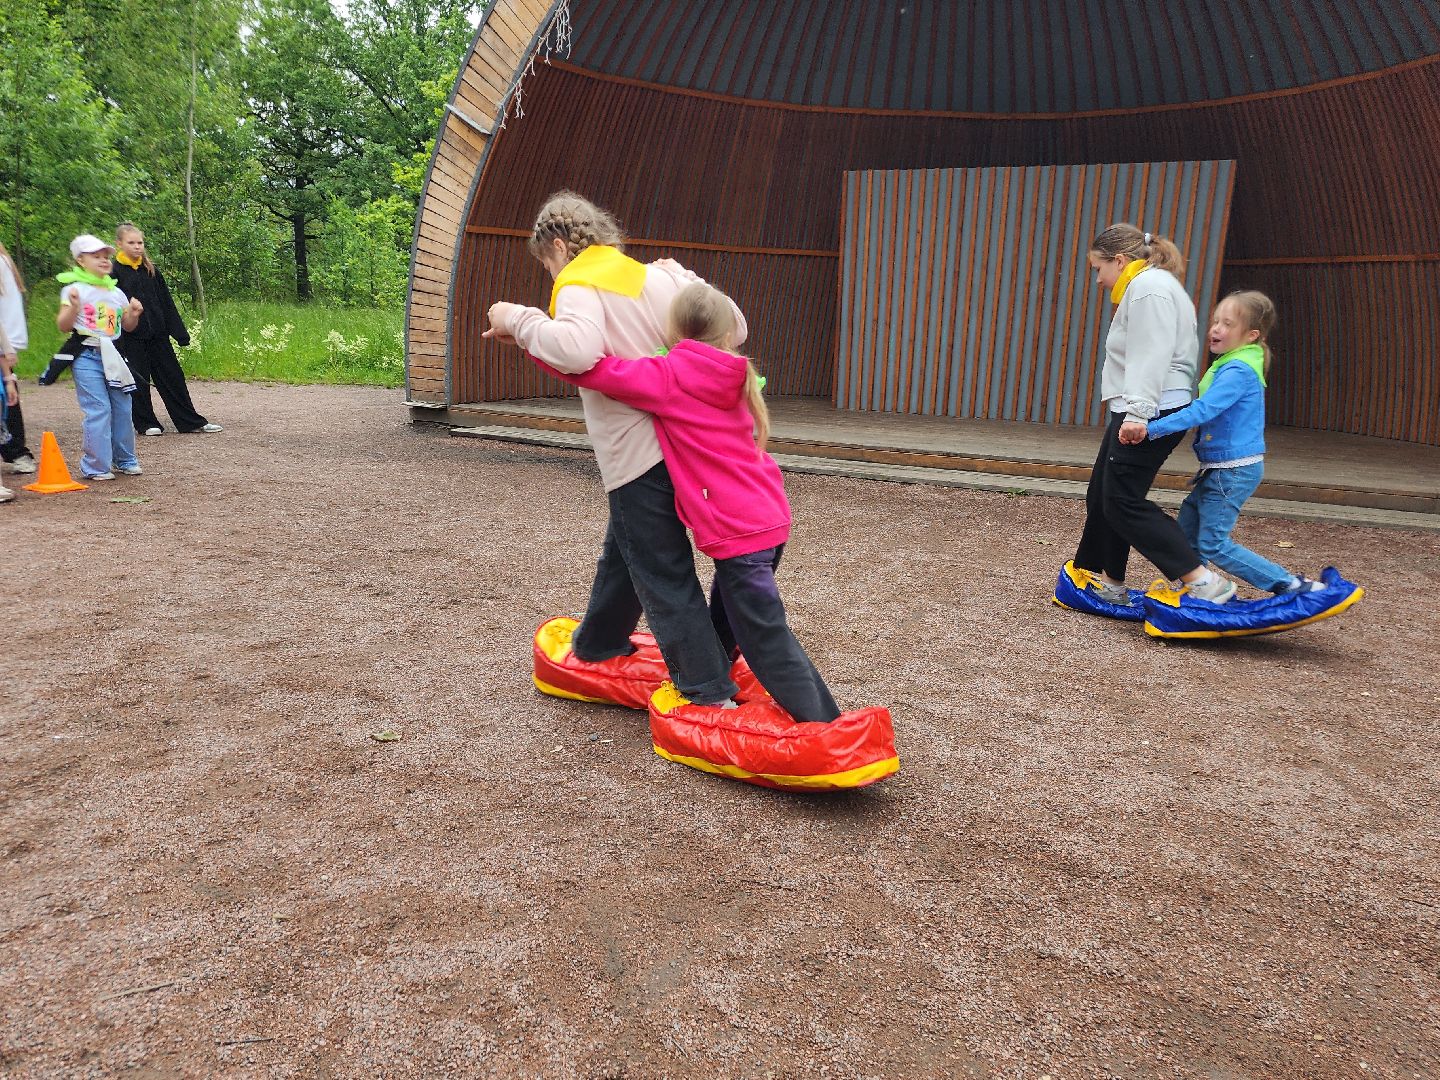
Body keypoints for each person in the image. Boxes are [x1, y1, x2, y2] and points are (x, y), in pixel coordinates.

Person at [527, 282, 841, 723]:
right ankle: (718, 668)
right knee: (732, 612)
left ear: (671, 330)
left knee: (763, 631)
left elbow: (591, 371)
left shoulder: (669, 376)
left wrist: (527, 336)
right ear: (728, 332)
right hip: (769, 518)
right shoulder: (739, 372)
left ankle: (821, 723)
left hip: (739, 533)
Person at [484, 191, 742, 708]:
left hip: (635, 453)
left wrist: (519, 318)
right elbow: (733, 326)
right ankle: (600, 641)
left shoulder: (579, 280)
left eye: (548, 265)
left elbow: (577, 350)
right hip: (686, 446)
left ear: (559, 246)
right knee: (627, 548)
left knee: (662, 568)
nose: (552, 277)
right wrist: (690, 278)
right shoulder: (661, 277)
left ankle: (709, 692)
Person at [1063, 223, 1236, 610]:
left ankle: (1202, 581)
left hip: (1149, 407)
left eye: (1098, 269)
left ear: (1120, 260)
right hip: (1138, 405)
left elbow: (1150, 354)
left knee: (1122, 500)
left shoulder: (1148, 289)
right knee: (1104, 494)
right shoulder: (1148, 286)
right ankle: (1110, 582)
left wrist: (1138, 415)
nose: (1098, 280)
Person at [1146, 290, 1325, 595]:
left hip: (1233, 471)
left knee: (1213, 543)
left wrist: (1153, 428)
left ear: (1251, 335)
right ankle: (1197, 589)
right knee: (1187, 530)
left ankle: (1292, 584)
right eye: (1216, 321)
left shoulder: (1238, 370)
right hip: (1218, 468)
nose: (1216, 328)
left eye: (1227, 324)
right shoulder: (1234, 363)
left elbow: (1205, 408)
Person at [111, 223, 221, 436]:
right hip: (130, 338)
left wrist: (179, 333)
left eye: (140, 242)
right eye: (131, 243)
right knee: (139, 381)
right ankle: (146, 423)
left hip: (158, 336)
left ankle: (189, 421)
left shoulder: (151, 270)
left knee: (173, 378)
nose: (136, 247)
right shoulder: (114, 273)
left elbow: (166, 302)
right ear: (119, 244)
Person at [54, 234, 144, 481]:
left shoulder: (116, 293)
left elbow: (127, 326)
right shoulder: (73, 290)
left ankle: (125, 459)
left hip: (113, 356)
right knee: (99, 409)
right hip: (87, 355)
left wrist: (134, 314)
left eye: (106, 257)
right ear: (81, 260)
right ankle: (95, 466)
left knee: (123, 407)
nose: (104, 261)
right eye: (96, 257)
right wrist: (73, 307)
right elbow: (63, 325)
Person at [0, 240, 37, 481]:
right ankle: (16, 451)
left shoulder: (2, 261)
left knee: (7, 395)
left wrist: (7, 347)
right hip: (5, 341)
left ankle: (17, 451)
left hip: (3, 342)